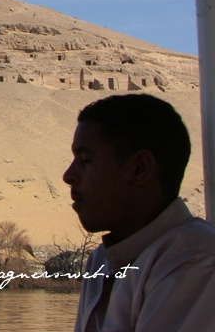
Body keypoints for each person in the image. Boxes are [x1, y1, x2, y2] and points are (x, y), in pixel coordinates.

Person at [62, 93, 215, 331]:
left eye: (86, 160)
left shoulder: (195, 259)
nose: (69, 176)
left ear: (140, 169)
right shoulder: (100, 261)